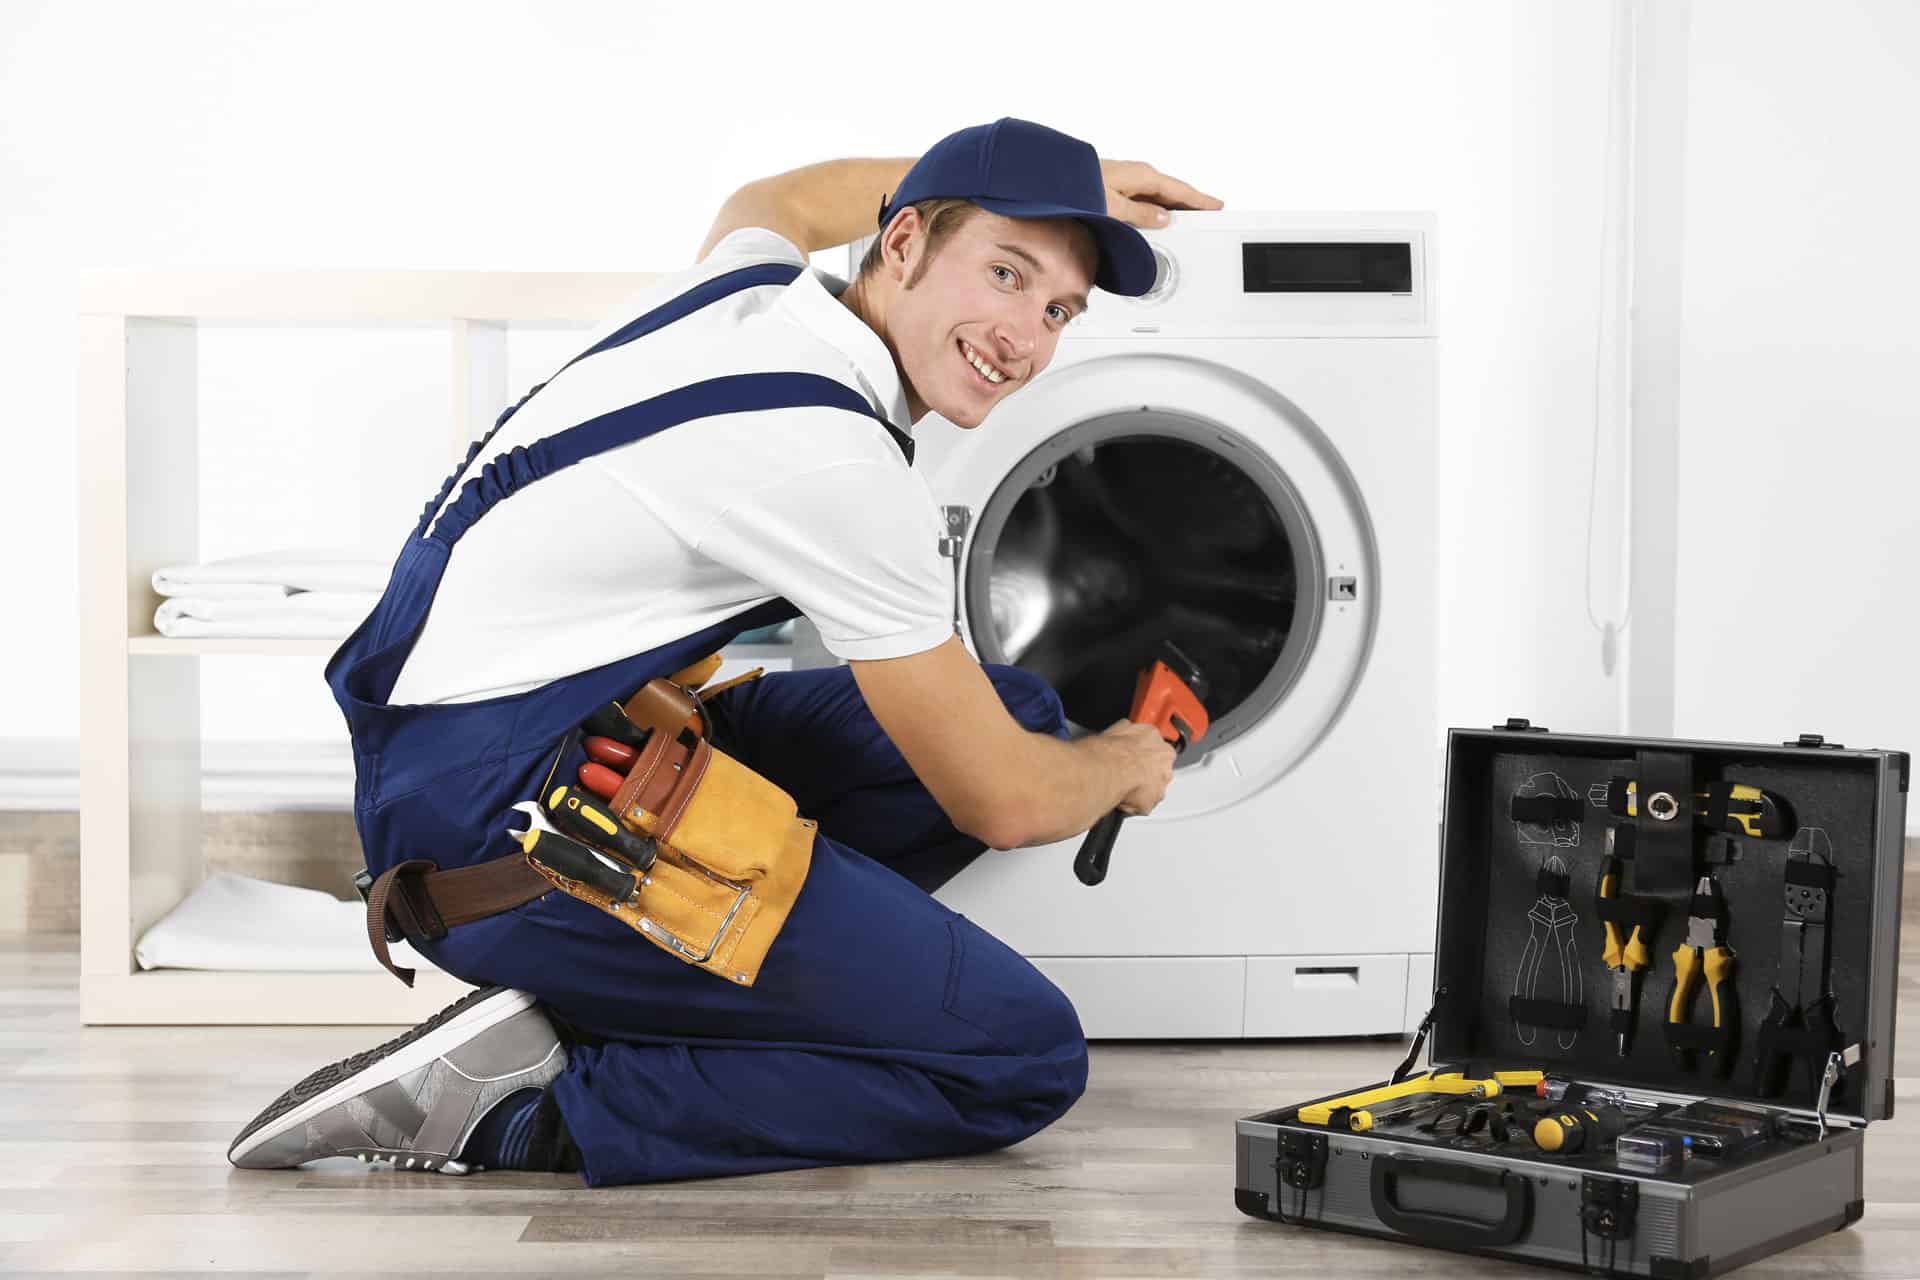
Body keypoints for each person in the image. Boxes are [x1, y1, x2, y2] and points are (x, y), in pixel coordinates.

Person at [226, 118, 1223, 1186]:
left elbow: (779, 195)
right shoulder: (834, 459)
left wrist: (1050, 189)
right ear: (902, 245)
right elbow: (1007, 805)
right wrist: (1127, 756)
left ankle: (667, 983)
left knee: (1017, 708)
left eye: (1057, 308)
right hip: (502, 827)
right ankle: (528, 1104)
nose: (1023, 335)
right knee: (1018, 1055)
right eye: (1003, 270)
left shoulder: (747, 291)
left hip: (507, 754)